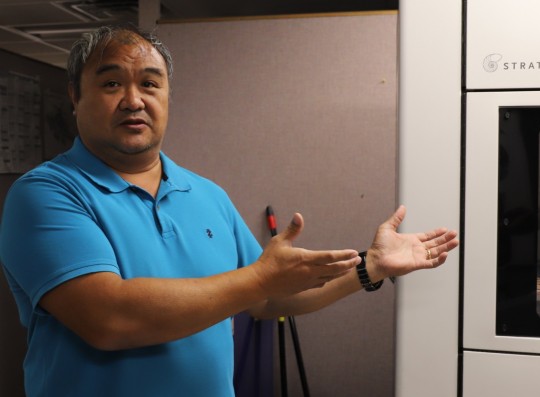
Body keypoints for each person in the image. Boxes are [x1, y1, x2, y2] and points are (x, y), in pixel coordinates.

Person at [0, 25, 459, 397]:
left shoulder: (206, 194)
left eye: (150, 84)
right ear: (76, 97)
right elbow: (108, 319)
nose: (134, 99)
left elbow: (264, 299)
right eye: (111, 82)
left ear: (168, 99)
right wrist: (260, 278)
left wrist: (370, 268)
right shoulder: (45, 194)